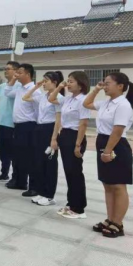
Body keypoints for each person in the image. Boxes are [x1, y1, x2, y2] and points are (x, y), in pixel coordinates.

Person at [83, 72, 133, 238]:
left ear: (120, 86)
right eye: (104, 83)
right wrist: (96, 89)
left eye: (107, 83)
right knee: (107, 185)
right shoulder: (106, 103)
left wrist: (108, 151)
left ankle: (118, 223)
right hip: (103, 142)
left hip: (116, 145)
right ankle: (110, 219)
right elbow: (86, 103)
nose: (104, 86)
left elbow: (118, 130)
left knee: (118, 186)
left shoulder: (123, 105)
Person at [49, 71, 91, 219]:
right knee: (69, 172)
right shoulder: (68, 99)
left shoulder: (84, 100)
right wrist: (60, 86)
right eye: (68, 80)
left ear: (81, 85)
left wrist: (78, 145)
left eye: (71, 81)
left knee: (75, 173)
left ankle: (79, 208)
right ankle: (71, 203)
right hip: (65, 135)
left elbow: (83, 123)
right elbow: (51, 98)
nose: (68, 83)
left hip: (75, 136)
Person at [22, 71, 63, 206]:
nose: (44, 83)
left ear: (55, 82)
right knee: (39, 163)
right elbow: (25, 97)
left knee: (49, 164)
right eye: (43, 81)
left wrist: (54, 138)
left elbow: (58, 120)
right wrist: (36, 86)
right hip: (39, 129)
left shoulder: (58, 98)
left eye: (46, 81)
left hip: (50, 130)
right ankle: (41, 192)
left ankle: (49, 195)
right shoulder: (42, 96)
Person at [4, 63, 39, 195]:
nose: (16, 74)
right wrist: (13, 80)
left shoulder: (35, 90)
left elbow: (38, 112)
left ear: (28, 74)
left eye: (20, 72)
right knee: (18, 156)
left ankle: (33, 186)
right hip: (18, 126)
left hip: (29, 126)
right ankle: (20, 182)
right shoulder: (19, 88)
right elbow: (7, 93)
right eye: (16, 72)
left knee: (29, 157)